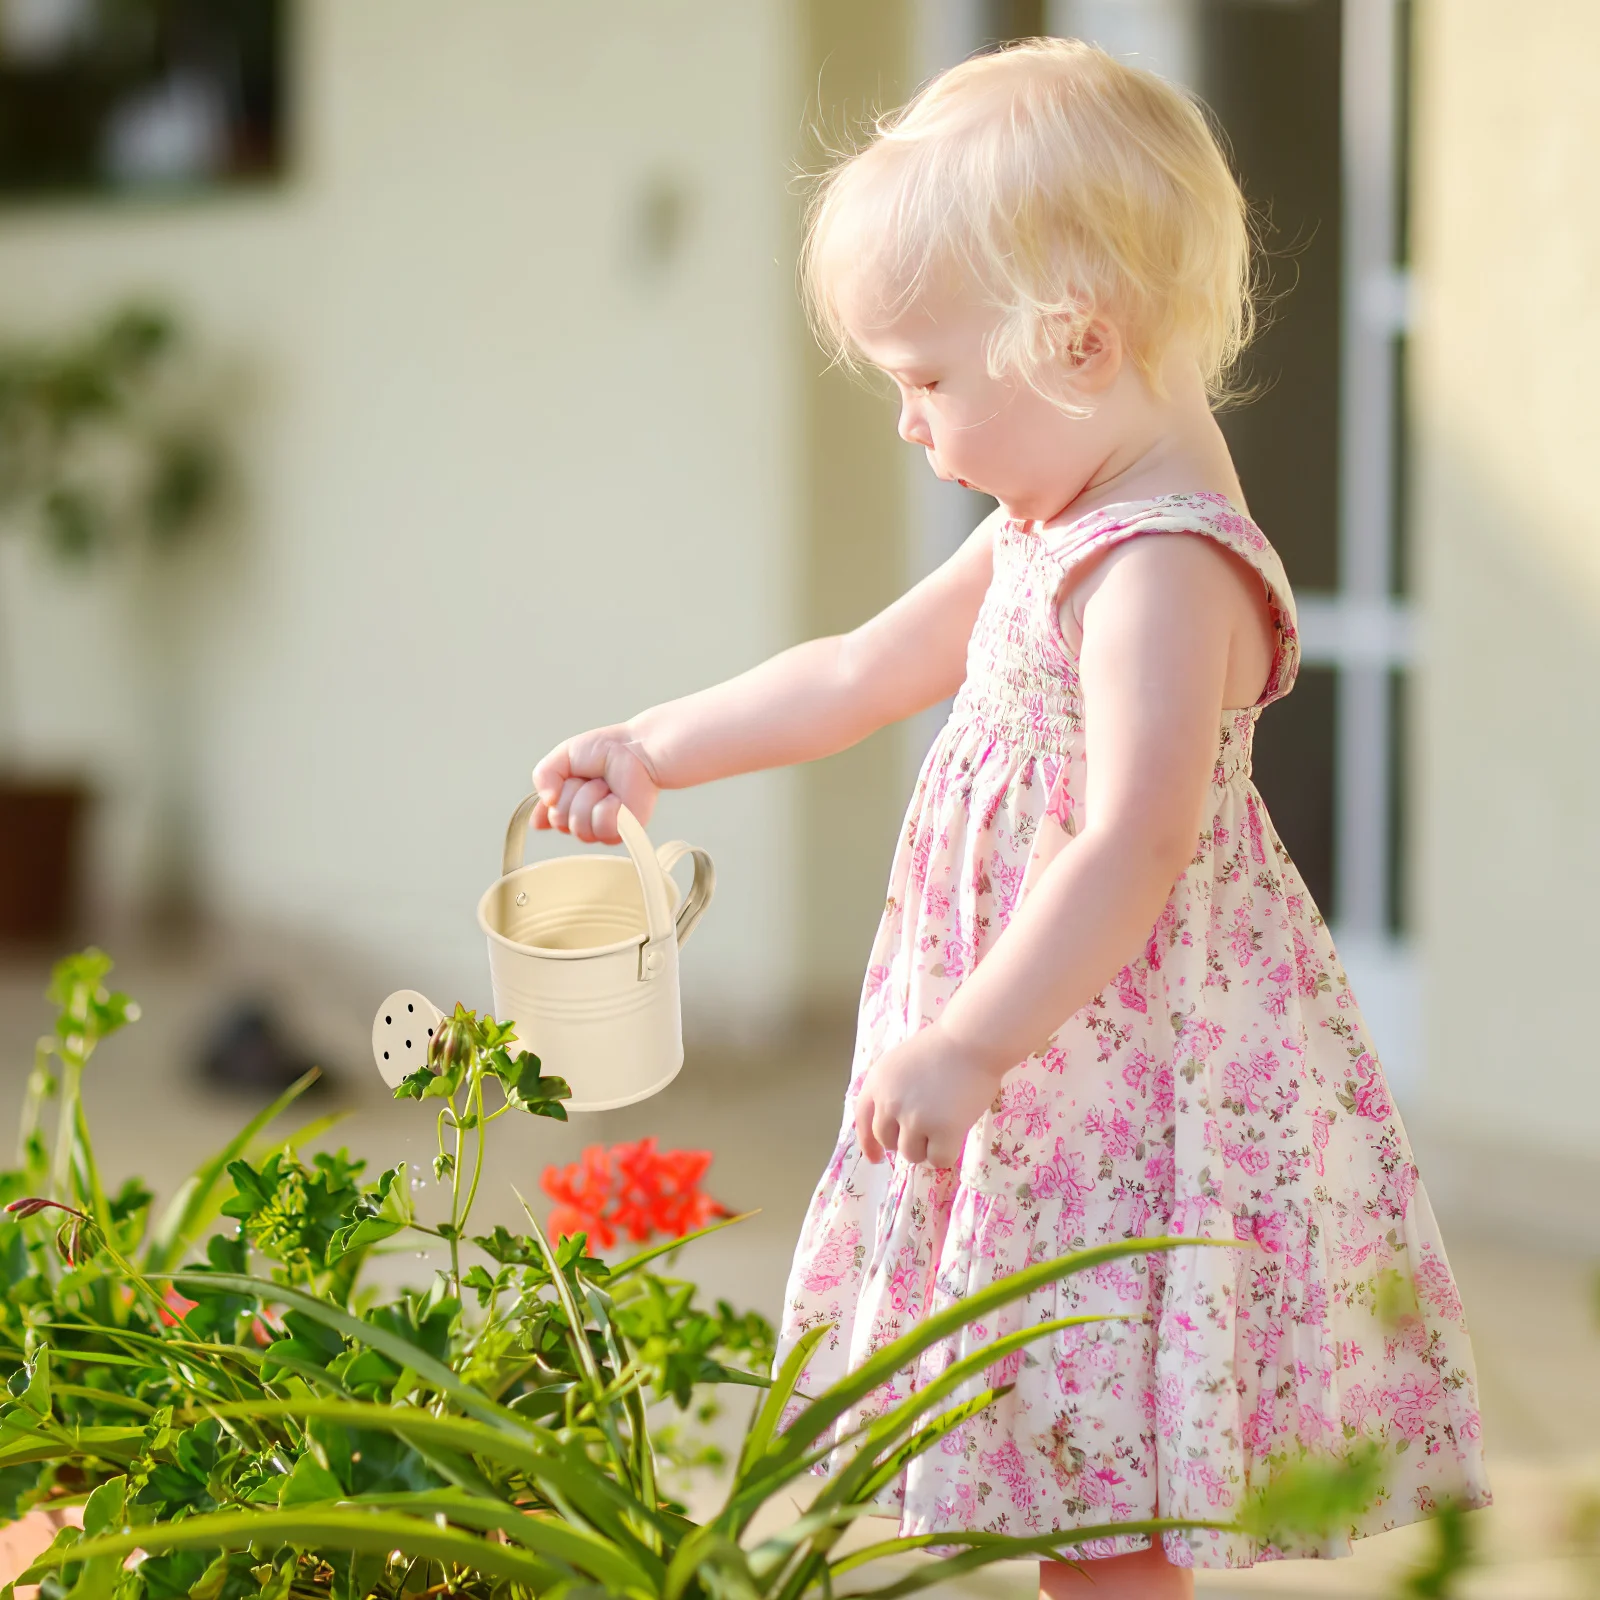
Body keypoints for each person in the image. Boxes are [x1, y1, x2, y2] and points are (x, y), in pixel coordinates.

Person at [532, 38, 1488, 1597]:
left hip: (1106, 1073)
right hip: (1044, 1072)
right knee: (1058, 1467)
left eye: (925, 380)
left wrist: (975, 1039)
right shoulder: (1049, 525)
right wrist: (655, 745)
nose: (911, 423)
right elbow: (857, 670)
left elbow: (1136, 840)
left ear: (1078, 344)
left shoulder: (1162, 569)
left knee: (1099, 1478)